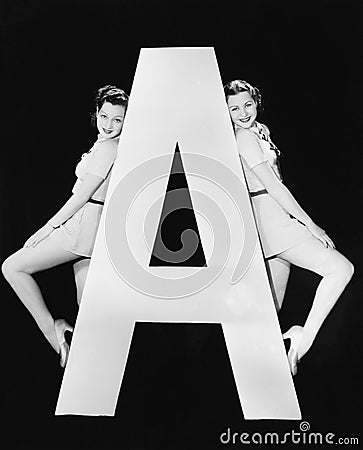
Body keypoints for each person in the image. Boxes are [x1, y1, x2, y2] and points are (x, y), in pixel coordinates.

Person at [224, 79, 354, 375]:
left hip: (273, 219)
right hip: (271, 218)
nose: (243, 113)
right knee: (341, 269)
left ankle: (265, 380)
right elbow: (273, 186)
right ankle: (301, 340)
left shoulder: (259, 131)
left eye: (247, 104)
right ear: (226, 112)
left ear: (256, 101)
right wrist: (310, 224)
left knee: (269, 315)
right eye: (234, 109)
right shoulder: (243, 138)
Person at [2, 85, 128, 368]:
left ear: (126, 121)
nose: (109, 124)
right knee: (87, 311)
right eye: (104, 116)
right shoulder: (103, 143)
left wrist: (46, 228)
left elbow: (82, 195)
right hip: (93, 226)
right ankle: (90, 365)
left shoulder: (109, 148)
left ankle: (54, 330)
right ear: (96, 113)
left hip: (84, 226)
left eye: (117, 119)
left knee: (12, 267)